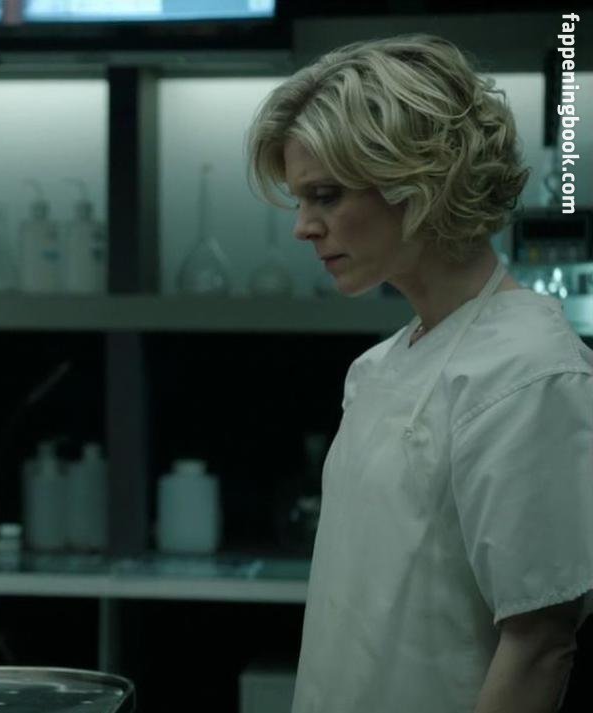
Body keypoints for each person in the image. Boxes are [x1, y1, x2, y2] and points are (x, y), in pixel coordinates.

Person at [247, 34, 592, 712]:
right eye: (301, 201)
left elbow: (539, 643)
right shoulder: (376, 368)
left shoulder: (531, 372)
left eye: (325, 196)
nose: (304, 228)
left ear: (419, 181)